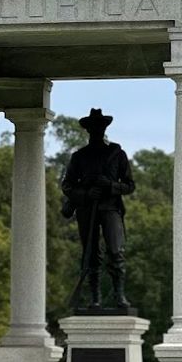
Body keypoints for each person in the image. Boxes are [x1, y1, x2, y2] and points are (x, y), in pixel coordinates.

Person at [61, 108, 135, 308]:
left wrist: (110, 186)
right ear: (88, 130)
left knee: (116, 251)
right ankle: (95, 299)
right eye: (94, 128)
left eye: (100, 127)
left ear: (104, 129)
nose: (97, 131)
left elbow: (129, 185)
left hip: (110, 208)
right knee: (91, 254)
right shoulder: (80, 157)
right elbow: (67, 185)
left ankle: (119, 296)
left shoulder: (116, 154)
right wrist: (85, 194)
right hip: (87, 209)